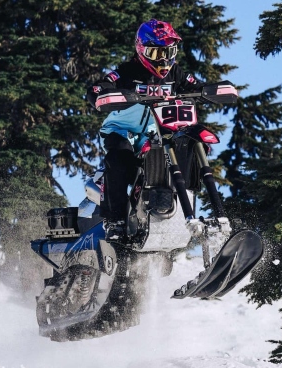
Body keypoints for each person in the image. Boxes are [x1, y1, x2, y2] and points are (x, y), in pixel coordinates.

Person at [86, 19, 206, 242]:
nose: (164, 59)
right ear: (142, 50)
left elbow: (195, 86)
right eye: (156, 53)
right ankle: (116, 222)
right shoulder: (128, 70)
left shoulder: (176, 73)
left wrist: (208, 91)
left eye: (168, 52)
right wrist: (103, 93)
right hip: (124, 130)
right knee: (119, 156)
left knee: (191, 145)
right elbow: (101, 86)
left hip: (156, 134)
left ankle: (196, 215)